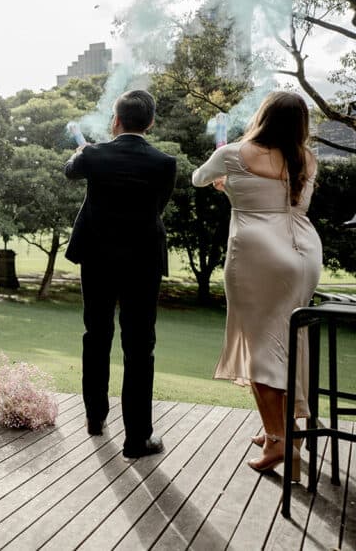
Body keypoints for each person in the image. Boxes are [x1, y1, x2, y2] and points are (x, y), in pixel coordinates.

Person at [192, 91, 321, 478]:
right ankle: (290, 430)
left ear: (262, 116)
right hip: (304, 255)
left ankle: (276, 439)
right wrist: (234, 186)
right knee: (288, 341)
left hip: (258, 256)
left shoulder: (234, 153)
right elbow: (287, 203)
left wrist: (227, 183)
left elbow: (199, 179)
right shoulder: (307, 160)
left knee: (258, 346)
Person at [64, 89, 177, 459]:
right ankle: (138, 438)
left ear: (116, 119)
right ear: (151, 122)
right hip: (142, 260)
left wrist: (83, 149)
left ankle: (95, 418)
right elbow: (157, 206)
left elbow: (69, 171)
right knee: (140, 347)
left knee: (95, 335)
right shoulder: (165, 162)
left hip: (97, 257)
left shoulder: (94, 154)